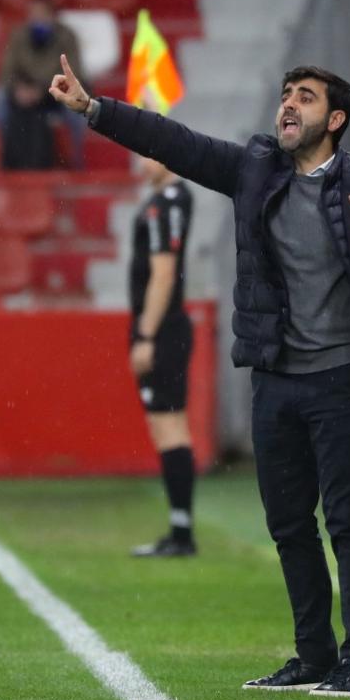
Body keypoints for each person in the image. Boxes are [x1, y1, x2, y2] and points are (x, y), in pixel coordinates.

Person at [51, 56, 350, 697]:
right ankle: (313, 656)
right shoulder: (256, 168)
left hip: (344, 379)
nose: (289, 105)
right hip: (275, 378)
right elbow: (173, 142)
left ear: (336, 118)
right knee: (290, 524)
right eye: (286, 95)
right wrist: (94, 108)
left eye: (305, 96)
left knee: (348, 521)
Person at [128, 157, 197, 558]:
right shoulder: (165, 200)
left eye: (144, 153)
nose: (139, 162)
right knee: (166, 426)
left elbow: (164, 273)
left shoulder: (167, 203)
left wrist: (145, 334)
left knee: (169, 425)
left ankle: (182, 532)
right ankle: (179, 528)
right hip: (165, 328)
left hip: (163, 330)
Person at [0, 0, 86, 170]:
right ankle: (8, 158)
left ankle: (78, 163)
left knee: (78, 109)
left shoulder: (67, 37)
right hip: (23, 94)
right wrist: (18, 90)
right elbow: (6, 73)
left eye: (42, 14)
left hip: (57, 94)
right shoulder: (19, 36)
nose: (37, 19)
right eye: (33, 15)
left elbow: (74, 74)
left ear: (52, 16)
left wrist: (42, 90)